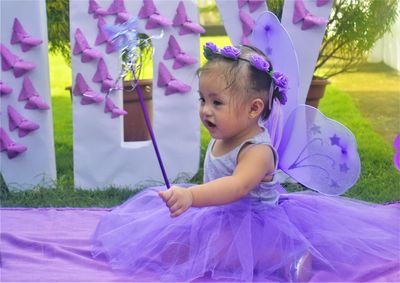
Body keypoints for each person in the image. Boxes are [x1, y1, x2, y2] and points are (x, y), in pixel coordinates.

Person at [92, 43, 399, 282]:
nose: (205, 110)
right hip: (218, 213)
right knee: (175, 244)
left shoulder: (257, 150)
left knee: (226, 251)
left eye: (216, 102)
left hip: (256, 220)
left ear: (254, 109)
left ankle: (289, 255)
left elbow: (237, 186)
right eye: (202, 99)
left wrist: (191, 196)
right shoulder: (226, 133)